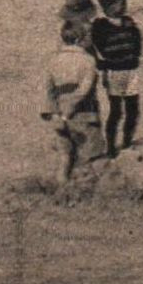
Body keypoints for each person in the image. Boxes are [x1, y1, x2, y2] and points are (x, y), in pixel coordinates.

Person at [43, 22, 105, 182]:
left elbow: (49, 90)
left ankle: (61, 192)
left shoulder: (53, 61)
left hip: (60, 115)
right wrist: (71, 106)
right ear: (79, 39)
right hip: (84, 113)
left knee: (65, 157)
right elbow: (85, 90)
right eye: (89, 36)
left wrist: (55, 113)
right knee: (90, 156)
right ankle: (83, 192)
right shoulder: (88, 60)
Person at [89, 0, 143, 157]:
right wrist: (102, 65)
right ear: (108, 6)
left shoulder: (129, 23)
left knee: (133, 109)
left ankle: (127, 141)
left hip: (130, 70)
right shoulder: (100, 26)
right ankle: (111, 147)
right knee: (116, 111)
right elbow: (95, 49)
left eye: (125, 3)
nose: (124, 6)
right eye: (121, 3)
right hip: (114, 72)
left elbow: (137, 41)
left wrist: (134, 56)